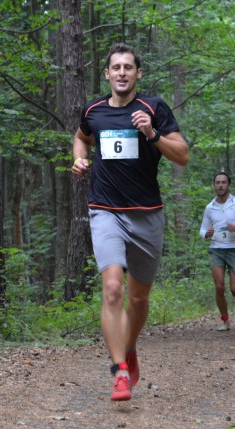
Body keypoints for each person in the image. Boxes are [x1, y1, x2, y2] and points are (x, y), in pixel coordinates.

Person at [71, 43, 189, 402]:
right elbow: (81, 138)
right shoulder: (93, 111)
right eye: (116, 67)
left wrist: (152, 134)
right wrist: (79, 160)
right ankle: (119, 370)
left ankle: (130, 346)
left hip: (147, 214)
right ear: (107, 74)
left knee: (138, 297)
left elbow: (182, 156)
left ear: (138, 73)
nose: (122, 73)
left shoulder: (153, 108)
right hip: (105, 211)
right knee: (112, 289)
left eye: (128, 67)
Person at [199, 171, 235, 332]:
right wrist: (206, 234)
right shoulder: (210, 207)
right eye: (218, 183)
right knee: (219, 286)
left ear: (228, 184)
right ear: (214, 185)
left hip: (234, 249)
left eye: (223, 182)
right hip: (216, 249)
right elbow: (202, 229)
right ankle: (225, 321)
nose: (220, 185)